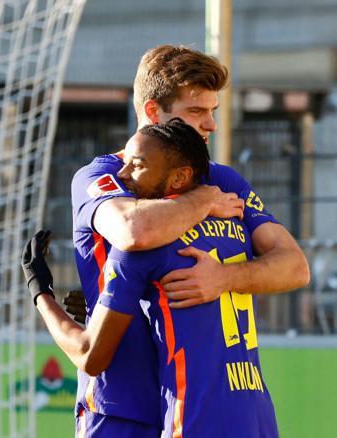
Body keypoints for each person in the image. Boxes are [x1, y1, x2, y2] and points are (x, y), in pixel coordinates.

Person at [64, 45, 308, 434]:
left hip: (194, 397)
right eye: (196, 111)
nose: (211, 124)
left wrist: (225, 277)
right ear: (152, 112)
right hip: (118, 401)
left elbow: (294, 267)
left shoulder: (222, 178)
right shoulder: (103, 176)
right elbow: (133, 231)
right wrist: (203, 201)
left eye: (213, 110)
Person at [24, 119, 281, 437]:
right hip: (258, 417)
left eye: (137, 165)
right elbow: (293, 267)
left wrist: (41, 292)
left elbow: (90, 355)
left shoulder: (143, 243)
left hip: (193, 419)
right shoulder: (235, 227)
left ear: (179, 177)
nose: (121, 174)